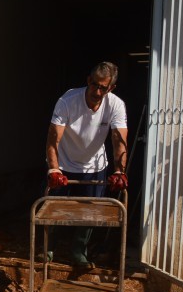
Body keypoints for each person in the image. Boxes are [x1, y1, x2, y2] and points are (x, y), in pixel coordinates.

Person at [45, 61, 129, 267]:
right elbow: (52, 140)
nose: (98, 91)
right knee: (55, 210)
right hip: (64, 162)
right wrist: (54, 168)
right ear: (88, 80)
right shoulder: (68, 100)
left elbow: (119, 141)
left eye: (104, 88)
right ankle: (49, 248)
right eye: (95, 85)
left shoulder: (116, 105)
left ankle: (78, 252)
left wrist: (119, 171)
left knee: (89, 214)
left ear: (111, 88)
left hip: (94, 165)